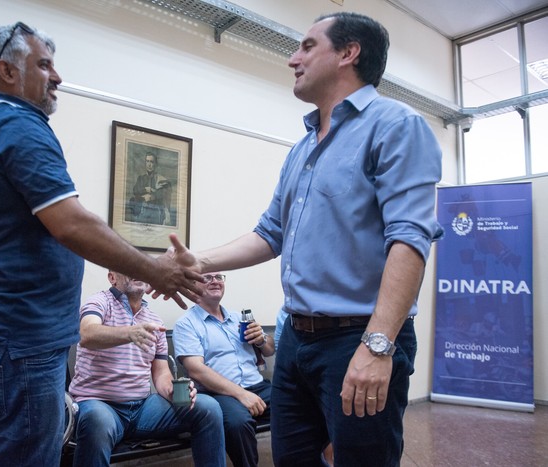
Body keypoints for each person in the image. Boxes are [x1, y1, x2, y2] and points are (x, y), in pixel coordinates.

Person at [165, 11, 443, 466]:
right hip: (296, 339)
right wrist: (195, 259)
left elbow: (410, 240)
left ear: (348, 54)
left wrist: (378, 346)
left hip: (357, 338)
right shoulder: (303, 147)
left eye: (308, 46)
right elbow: (268, 233)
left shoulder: (395, 126)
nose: (293, 58)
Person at [0, 22, 203, 467]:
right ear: (7, 72)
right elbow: (72, 224)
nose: (58, 76)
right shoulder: (17, 124)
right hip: (18, 344)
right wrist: (156, 271)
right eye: (44, 64)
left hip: (10, 342)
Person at [68, 271, 226, 467]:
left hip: (143, 409)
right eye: (127, 266)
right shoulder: (100, 302)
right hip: (100, 404)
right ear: (112, 278)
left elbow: (161, 373)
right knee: (97, 421)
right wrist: (129, 333)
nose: (137, 270)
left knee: (208, 407)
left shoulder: (154, 320)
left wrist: (173, 391)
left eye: (140, 266)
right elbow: (86, 334)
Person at [173, 272, 275, 467]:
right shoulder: (186, 324)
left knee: (298, 405)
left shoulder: (240, 317)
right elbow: (196, 370)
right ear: (193, 285)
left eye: (219, 277)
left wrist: (262, 339)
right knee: (237, 423)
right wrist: (241, 394)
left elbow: (270, 350)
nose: (215, 281)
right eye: (207, 277)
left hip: (259, 387)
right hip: (219, 394)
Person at [129, 152, 172, 225]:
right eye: (147, 161)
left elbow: (163, 194)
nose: (149, 164)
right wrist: (146, 189)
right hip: (142, 210)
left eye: (151, 162)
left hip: (156, 211)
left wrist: (153, 197)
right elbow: (135, 190)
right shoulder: (141, 178)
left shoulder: (161, 179)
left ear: (155, 164)